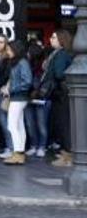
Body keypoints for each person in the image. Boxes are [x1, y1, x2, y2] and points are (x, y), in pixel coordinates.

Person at [47, 30, 75, 167]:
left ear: (61, 39)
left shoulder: (60, 55)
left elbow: (58, 74)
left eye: (53, 37)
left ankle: (67, 156)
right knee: (61, 123)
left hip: (60, 94)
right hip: (61, 94)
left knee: (63, 124)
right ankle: (65, 153)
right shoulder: (59, 54)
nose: (50, 39)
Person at [3, 40, 32, 165]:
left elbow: (27, 81)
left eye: (9, 49)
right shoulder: (20, 62)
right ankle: (20, 153)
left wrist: (11, 89)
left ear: (16, 50)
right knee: (19, 125)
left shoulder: (21, 63)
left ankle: (18, 153)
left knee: (12, 125)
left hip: (18, 97)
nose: (7, 52)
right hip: (20, 97)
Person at [24, 40, 49, 158]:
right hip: (29, 98)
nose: (27, 55)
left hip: (41, 99)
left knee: (41, 124)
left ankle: (42, 146)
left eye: (29, 52)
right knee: (30, 124)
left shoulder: (44, 68)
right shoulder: (27, 66)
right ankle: (34, 145)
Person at [0, 35, 14, 159]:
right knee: (1, 121)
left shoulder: (7, 58)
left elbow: (8, 75)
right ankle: (8, 147)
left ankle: (11, 148)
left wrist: (5, 86)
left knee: (5, 121)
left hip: (2, 92)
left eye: (1, 42)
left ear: (6, 44)